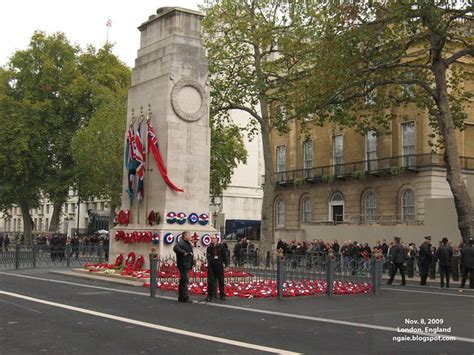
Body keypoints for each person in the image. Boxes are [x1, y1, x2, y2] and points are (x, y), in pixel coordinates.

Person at [205, 234, 229, 302]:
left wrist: (227, 265)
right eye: (211, 238)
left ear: (217, 239)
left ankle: (222, 295)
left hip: (219, 265)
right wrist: (209, 257)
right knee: (211, 281)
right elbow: (208, 256)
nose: (212, 239)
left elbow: (225, 256)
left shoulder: (221, 246)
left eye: (213, 238)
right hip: (211, 266)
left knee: (221, 280)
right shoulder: (209, 247)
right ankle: (211, 295)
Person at [173, 231, 194, 303]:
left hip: (186, 264)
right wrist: (183, 252)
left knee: (182, 281)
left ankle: (181, 297)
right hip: (183, 264)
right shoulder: (181, 242)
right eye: (189, 235)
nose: (190, 236)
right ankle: (185, 297)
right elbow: (176, 248)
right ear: (185, 236)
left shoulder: (187, 243)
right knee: (185, 281)